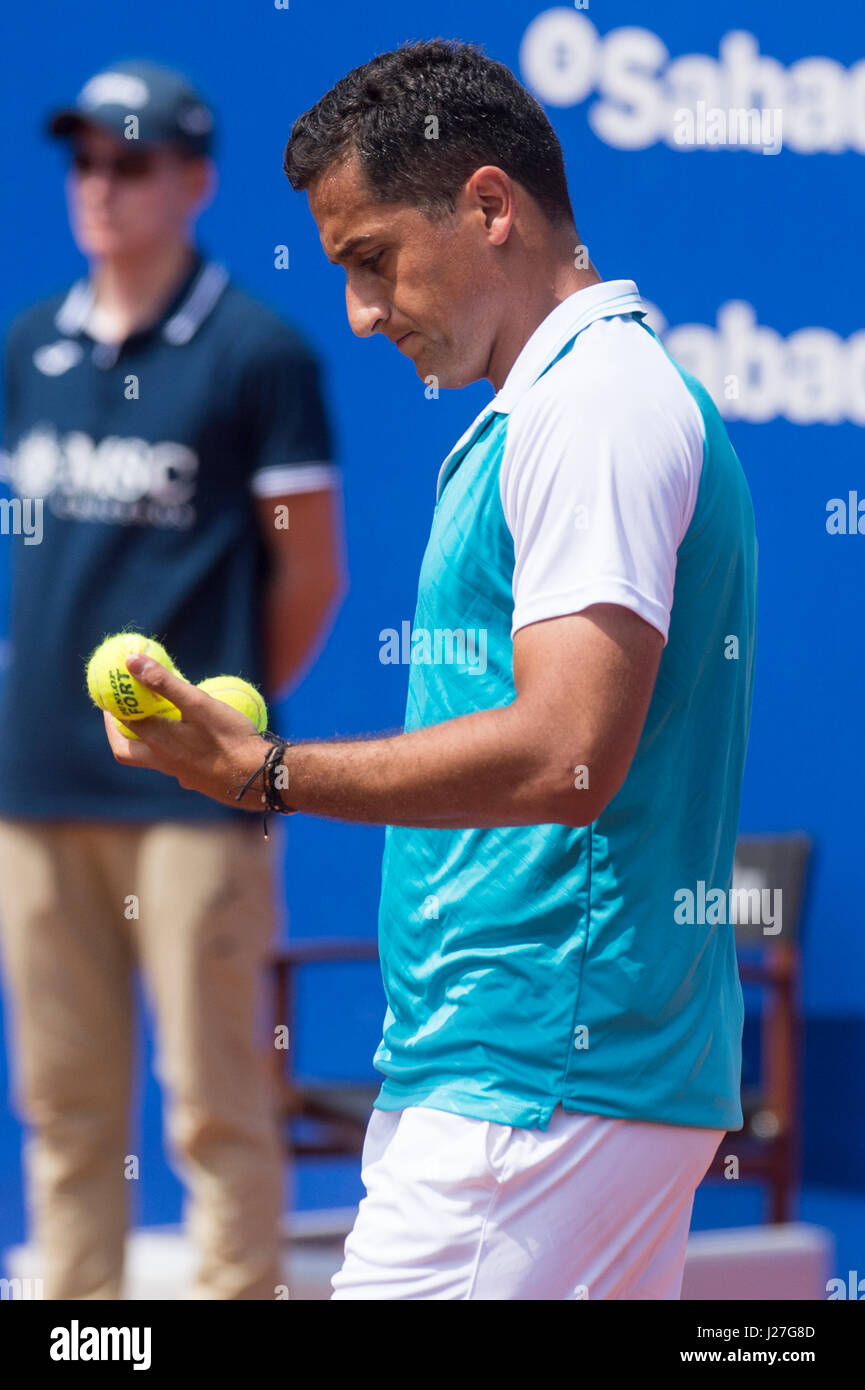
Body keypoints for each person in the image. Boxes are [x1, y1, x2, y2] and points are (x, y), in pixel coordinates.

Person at [97, 40, 757, 1301]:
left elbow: (568, 749)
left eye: (370, 257)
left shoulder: (595, 405)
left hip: (533, 1082)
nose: (356, 310)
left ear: (490, 207)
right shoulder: (570, 401)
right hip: (554, 1081)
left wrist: (262, 773)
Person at [0, 59, 345, 1300]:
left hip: (195, 793)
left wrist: (217, 731)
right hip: (36, 784)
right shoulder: (30, 342)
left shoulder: (258, 351)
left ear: (194, 180)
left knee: (213, 1102)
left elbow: (310, 577)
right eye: (84, 159)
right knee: (65, 1107)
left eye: (130, 161)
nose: (99, 184)